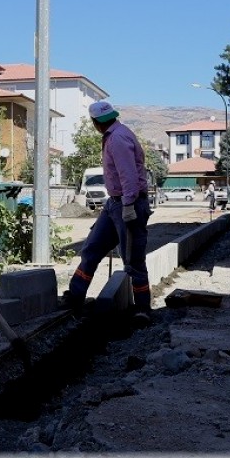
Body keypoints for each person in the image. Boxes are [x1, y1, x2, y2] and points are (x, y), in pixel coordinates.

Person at [62, 100, 153, 325]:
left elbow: (128, 175)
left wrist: (129, 205)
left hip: (126, 203)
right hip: (114, 203)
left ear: (95, 122)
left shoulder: (118, 139)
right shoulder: (116, 135)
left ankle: (142, 308)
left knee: (133, 259)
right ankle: (75, 295)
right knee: (92, 248)